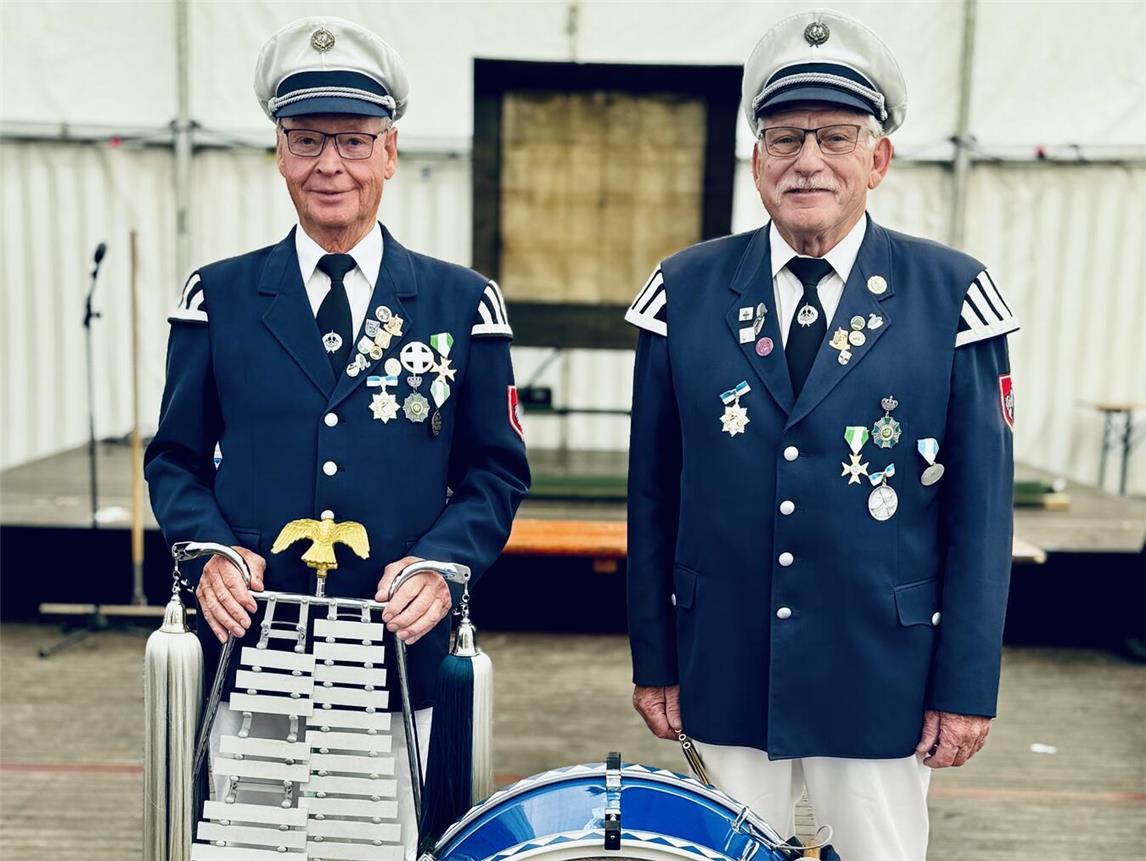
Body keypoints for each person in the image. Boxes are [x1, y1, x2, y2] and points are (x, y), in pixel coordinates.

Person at [624, 10, 1018, 860]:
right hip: (722, 663)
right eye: (783, 137)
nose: (808, 160)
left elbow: (982, 518)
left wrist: (966, 686)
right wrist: (655, 658)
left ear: (878, 158)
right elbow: (652, 496)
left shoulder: (952, 297)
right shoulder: (683, 292)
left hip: (880, 672)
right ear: (755, 161)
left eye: (836, 136)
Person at [144, 16, 529, 857]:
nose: (330, 165)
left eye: (353, 141)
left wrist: (442, 563)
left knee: (392, 840)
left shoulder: (462, 304)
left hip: (399, 660)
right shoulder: (220, 295)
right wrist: (206, 549)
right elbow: (173, 457)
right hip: (253, 652)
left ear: (390, 151)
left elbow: (496, 473)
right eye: (307, 139)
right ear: (278, 151)